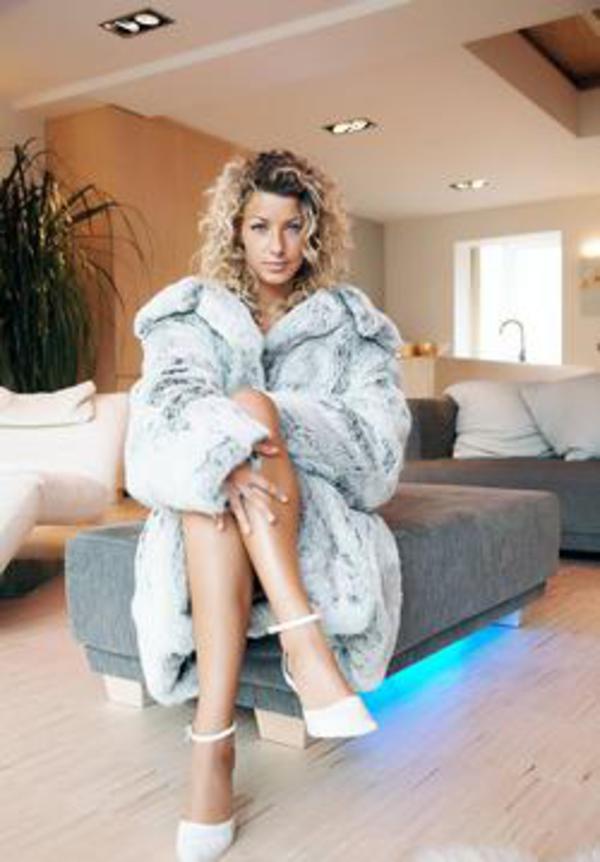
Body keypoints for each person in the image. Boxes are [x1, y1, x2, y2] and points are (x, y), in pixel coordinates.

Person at [124, 148, 412, 861]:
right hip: (217, 510)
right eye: (260, 226)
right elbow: (161, 417)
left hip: (308, 504)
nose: (277, 245)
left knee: (248, 412)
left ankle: (211, 750)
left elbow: (377, 452)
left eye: (292, 227)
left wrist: (263, 422)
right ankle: (299, 651)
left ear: (315, 232)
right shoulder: (192, 314)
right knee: (209, 485)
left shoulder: (351, 328)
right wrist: (222, 457)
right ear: (235, 230)